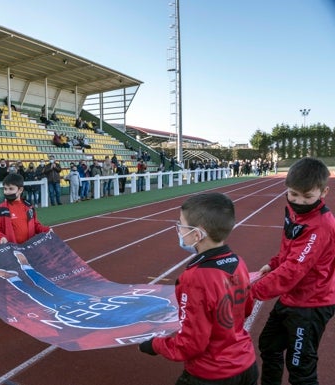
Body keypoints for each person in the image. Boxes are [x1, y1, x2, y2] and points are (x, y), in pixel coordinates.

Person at [138, 193, 258, 385]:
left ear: (197, 234)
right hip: (246, 364)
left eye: (181, 224)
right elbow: (246, 308)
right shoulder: (238, 262)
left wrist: (155, 345)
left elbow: (191, 344)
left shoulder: (195, 278)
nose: (179, 230)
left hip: (211, 373)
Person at [251, 157, 335, 385]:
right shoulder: (293, 210)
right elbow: (290, 249)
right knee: (269, 346)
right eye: (293, 194)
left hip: (311, 303)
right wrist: (274, 263)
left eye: (308, 197)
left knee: (300, 369)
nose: (299, 201)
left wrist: (251, 291)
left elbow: (293, 270)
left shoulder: (320, 225)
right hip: (292, 297)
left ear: (323, 192)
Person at [0, 173, 50, 245]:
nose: (7, 192)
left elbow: (35, 225)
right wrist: (0, 237)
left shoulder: (28, 206)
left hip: (29, 248)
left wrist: (46, 230)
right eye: (5, 189)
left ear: (20, 190)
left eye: (11, 189)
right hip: (12, 251)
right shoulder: (1, 210)